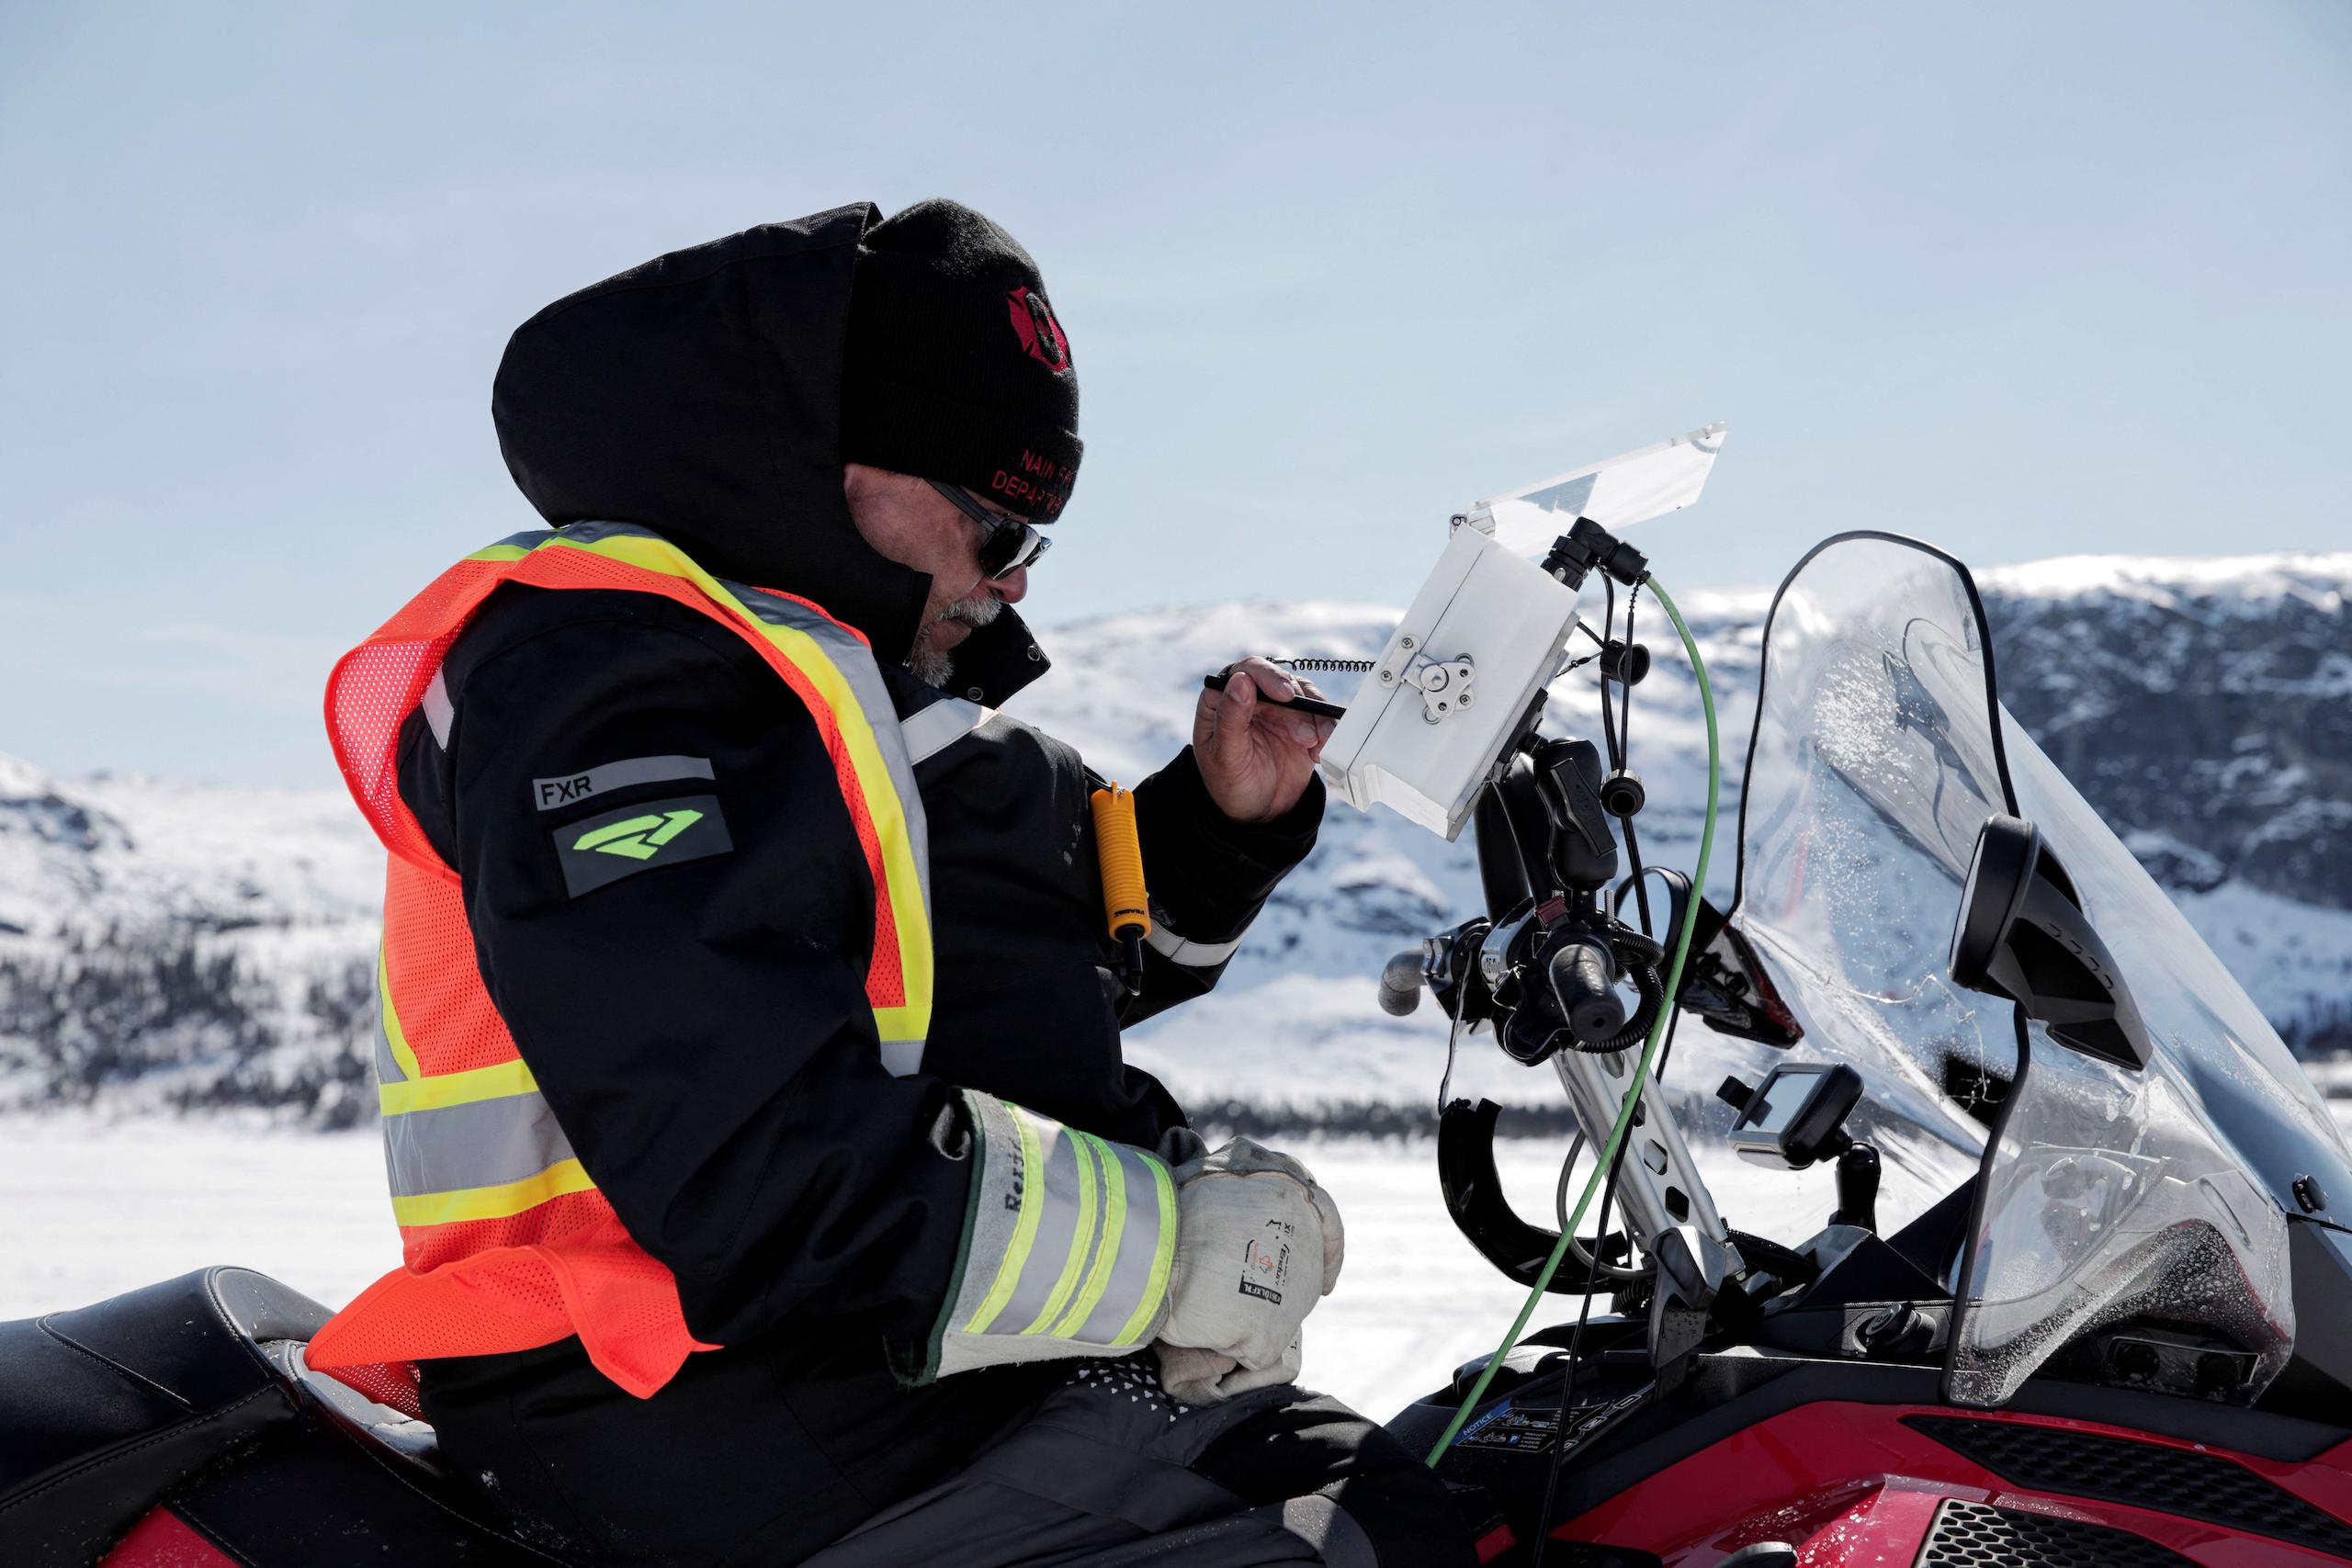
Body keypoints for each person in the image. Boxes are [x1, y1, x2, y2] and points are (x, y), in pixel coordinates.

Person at [305, 198, 1473, 1566]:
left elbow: (1014, 970)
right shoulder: (605, 677)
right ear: (829, 463)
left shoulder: (844, 690)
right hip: (669, 1395)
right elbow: (753, 1153)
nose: (1013, 582)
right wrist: (1171, 1254)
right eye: (994, 523)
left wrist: (1217, 824)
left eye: (1037, 539)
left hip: (840, 1364)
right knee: (1348, 1535)